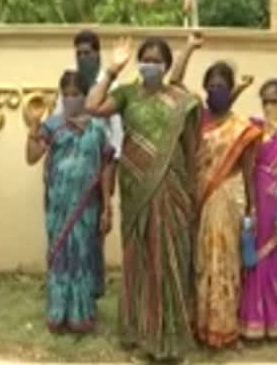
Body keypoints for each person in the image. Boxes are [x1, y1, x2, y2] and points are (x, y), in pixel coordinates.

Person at [85, 37, 200, 361]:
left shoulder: (182, 101)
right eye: (145, 59)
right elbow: (93, 106)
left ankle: (171, 338)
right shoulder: (127, 94)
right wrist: (111, 70)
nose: (150, 64)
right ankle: (140, 332)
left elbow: (191, 151)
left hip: (173, 189)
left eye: (157, 60)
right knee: (141, 261)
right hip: (136, 192)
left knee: (170, 260)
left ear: (165, 66)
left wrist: (191, 193)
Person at [167, 34, 259, 348]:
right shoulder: (197, 116)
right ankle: (199, 325)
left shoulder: (243, 129)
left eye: (222, 85)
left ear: (229, 89)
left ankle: (224, 329)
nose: (215, 90)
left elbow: (248, 173)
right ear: (204, 89)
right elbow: (174, 82)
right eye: (211, 85)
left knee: (225, 262)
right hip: (197, 200)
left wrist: (252, 210)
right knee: (200, 261)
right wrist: (189, 48)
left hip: (228, 199)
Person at [27, 70, 114, 333]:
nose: (70, 99)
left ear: (86, 96)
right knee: (60, 257)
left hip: (87, 207)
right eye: (66, 94)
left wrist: (108, 205)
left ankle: (81, 314)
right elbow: (32, 157)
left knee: (83, 256)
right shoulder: (52, 125)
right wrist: (33, 126)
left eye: (76, 94)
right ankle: (58, 311)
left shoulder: (98, 128)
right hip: (59, 205)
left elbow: (106, 166)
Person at [53, 30, 122, 298]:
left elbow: (116, 134)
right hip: (70, 168)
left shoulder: (111, 87)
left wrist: (111, 175)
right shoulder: (70, 85)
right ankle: (70, 281)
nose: (83, 57)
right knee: (70, 229)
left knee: (96, 228)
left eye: (87, 53)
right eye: (79, 53)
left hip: (101, 166)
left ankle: (94, 284)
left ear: (98, 53)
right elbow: (59, 122)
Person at [239, 79, 277, 340]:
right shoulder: (254, 129)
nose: (268, 106)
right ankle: (254, 320)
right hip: (255, 197)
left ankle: (276, 319)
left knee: (276, 257)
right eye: (264, 101)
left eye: (274, 101)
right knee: (253, 253)